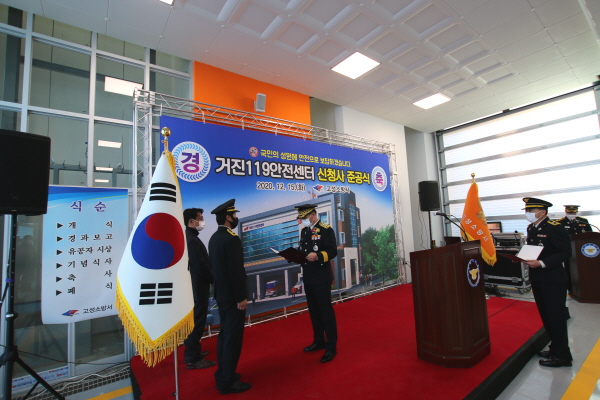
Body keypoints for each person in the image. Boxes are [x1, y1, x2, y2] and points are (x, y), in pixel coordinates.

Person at [522, 197, 573, 367]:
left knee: (556, 317)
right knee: (546, 316)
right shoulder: (532, 228)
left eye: (530, 210)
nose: (528, 213)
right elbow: (535, 249)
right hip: (537, 278)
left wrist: (542, 263)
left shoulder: (555, 228)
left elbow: (565, 253)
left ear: (542, 212)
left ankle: (563, 356)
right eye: (527, 210)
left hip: (553, 280)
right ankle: (555, 348)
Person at [209, 199, 251, 394]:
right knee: (232, 339)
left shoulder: (214, 238)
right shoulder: (231, 239)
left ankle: (223, 374)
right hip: (234, 298)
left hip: (222, 295)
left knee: (224, 336)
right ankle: (227, 381)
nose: (235, 218)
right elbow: (236, 271)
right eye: (234, 215)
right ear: (228, 217)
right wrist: (241, 297)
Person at [296, 204, 338, 363]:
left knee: (325, 313)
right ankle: (319, 340)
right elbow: (304, 250)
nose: (303, 220)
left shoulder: (326, 229)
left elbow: (332, 251)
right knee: (314, 312)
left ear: (313, 214)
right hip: (309, 277)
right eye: (301, 218)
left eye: (305, 217)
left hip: (321, 277)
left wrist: (318, 256)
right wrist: (294, 256)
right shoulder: (305, 231)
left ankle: (331, 347)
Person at [182, 208, 216, 369]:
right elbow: (201, 266)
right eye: (200, 218)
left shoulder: (190, 237)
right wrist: (213, 279)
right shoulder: (191, 240)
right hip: (197, 287)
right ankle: (192, 358)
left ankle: (193, 352)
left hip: (196, 287)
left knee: (196, 321)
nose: (202, 221)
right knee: (197, 322)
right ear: (191, 221)